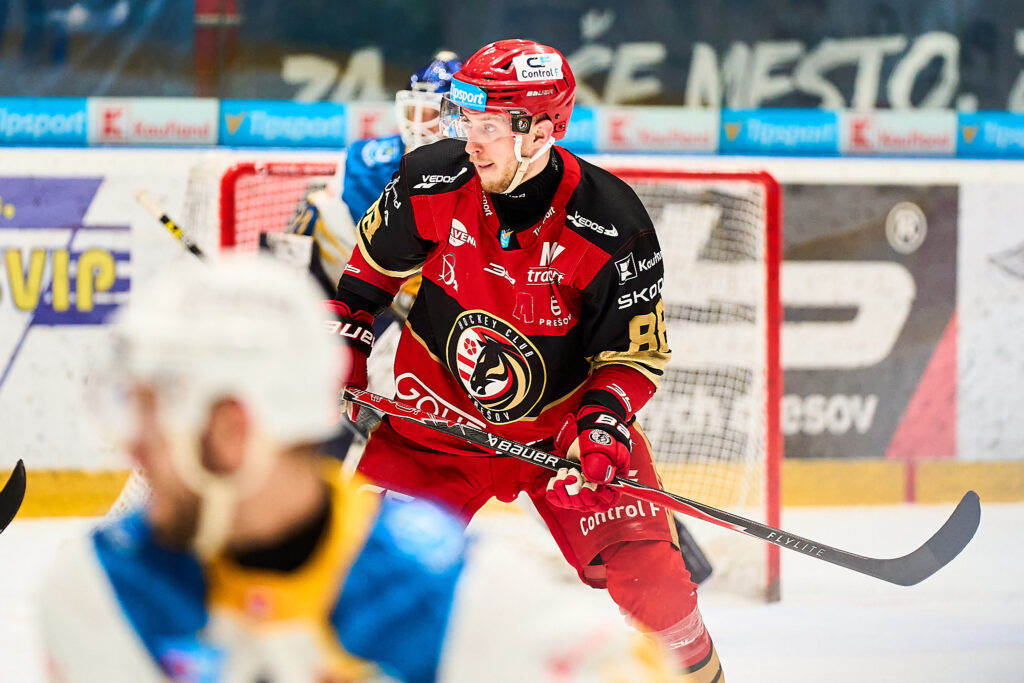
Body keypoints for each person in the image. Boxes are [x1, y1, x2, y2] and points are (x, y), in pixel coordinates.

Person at [37, 256, 674, 682]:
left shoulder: (463, 597)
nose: (132, 452)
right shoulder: (99, 587)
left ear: (235, 431)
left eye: (152, 421)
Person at [329, 39, 723, 680]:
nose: (469, 140)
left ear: (540, 132)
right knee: (358, 580)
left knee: (658, 593)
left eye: (486, 126)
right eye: (466, 121)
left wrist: (603, 425)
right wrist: (347, 342)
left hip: (559, 439)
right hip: (433, 428)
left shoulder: (612, 223)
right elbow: (365, 280)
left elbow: (633, 354)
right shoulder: (431, 178)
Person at [289, 50, 463, 299]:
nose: (418, 125)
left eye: (431, 114)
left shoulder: (484, 160)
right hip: (372, 281)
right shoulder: (370, 160)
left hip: (451, 284)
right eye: (413, 111)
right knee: (320, 208)